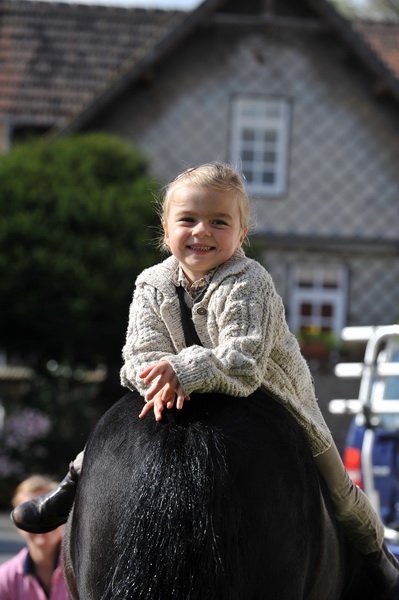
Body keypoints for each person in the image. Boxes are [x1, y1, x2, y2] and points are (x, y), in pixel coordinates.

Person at [11, 162, 399, 595]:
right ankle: (71, 486)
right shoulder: (151, 283)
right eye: (188, 220)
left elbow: (243, 358)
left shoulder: (249, 281)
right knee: (109, 437)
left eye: (219, 222)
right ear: (165, 228)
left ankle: (377, 556)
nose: (202, 232)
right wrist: (157, 376)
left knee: (338, 487)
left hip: (273, 393)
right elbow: (139, 351)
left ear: (241, 232)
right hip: (173, 388)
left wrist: (181, 369)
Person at [0, 475, 69, 600]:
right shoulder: (6, 578)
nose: (41, 522)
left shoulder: (85, 564)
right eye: (29, 515)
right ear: (17, 523)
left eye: (49, 512)